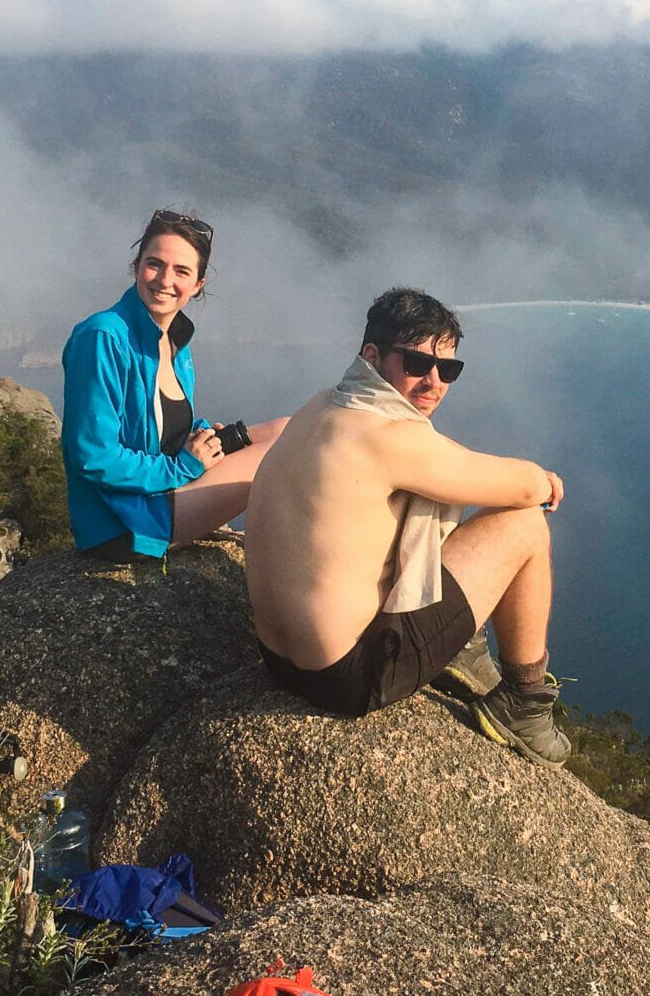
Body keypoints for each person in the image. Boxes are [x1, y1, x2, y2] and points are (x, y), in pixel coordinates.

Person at [244, 288, 571, 765]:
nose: (434, 381)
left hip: (277, 660)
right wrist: (544, 480)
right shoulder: (390, 438)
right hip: (346, 678)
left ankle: (461, 646)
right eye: (417, 364)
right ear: (372, 356)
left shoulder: (325, 404)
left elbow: (446, 462)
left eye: (448, 370)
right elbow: (524, 490)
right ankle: (524, 704)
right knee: (525, 527)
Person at [62, 209, 287, 560]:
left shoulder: (174, 341)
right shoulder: (102, 337)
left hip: (162, 491)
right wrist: (183, 466)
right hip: (125, 521)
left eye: (181, 271)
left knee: (291, 428)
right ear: (137, 266)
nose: (165, 280)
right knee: (280, 454)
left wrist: (202, 439)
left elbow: (160, 430)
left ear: (198, 285)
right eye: (155, 264)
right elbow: (93, 456)